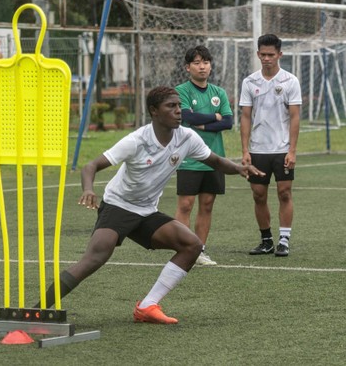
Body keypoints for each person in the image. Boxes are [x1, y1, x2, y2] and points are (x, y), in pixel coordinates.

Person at [36, 86, 263, 324]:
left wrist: (239, 168)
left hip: (146, 211)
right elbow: (90, 167)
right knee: (95, 258)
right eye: (171, 106)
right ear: (154, 111)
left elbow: (215, 161)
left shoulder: (187, 137)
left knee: (192, 245)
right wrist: (89, 189)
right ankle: (38, 310)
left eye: (179, 106)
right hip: (118, 206)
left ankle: (147, 306)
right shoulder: (136, 140)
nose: (178, 111)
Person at [239, 34, 302, 257]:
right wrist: (245, 150)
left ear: (279, 55)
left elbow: (295, 117)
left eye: (271, 55)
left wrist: (292, 150)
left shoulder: (290, 81)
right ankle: (266, 240)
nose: (266, 59)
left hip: (282, 148)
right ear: (258, 54)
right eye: (263, 55)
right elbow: (245, 116)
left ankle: (284, 240)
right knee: (258, 194)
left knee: (284, 192)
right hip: (257, 149)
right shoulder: (249, 82)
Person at [175, 45, 233, 266]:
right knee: (186, 204)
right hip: (189, 157)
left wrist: (203, 123)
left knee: (207, 204)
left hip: (214, 158)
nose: (202, 66)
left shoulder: (219, 92)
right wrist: (214, 118)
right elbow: (187, 117)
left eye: (206, 62)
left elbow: (228, 122)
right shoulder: (181, 91)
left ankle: (199, 250)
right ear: (187, 67)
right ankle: (182, 248)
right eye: (197, 62)